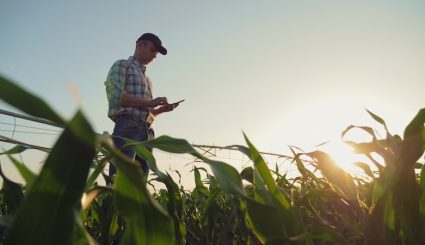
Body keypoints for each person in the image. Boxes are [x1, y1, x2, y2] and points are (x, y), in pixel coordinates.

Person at [105, 33, 179, 177]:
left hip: (147, 132)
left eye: (157, 53)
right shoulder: (122, 65)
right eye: (153, 50)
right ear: (140, 45)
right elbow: (115, 96)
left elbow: (147, 110)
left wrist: (162, 110)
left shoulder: (148, 80)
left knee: (140, 184)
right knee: (120, 180)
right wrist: (149, 102)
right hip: (128, 127)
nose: (155, 56)